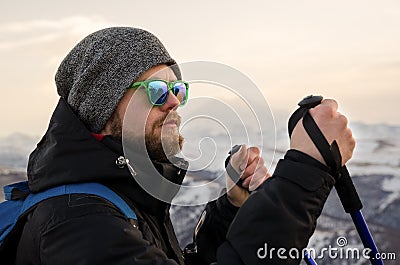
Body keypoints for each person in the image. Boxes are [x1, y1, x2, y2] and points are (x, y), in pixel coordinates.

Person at [13, 27, 355, 265]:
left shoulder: (122, 198)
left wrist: (231, 210)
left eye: (178, 89)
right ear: (103, 108)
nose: (174, 102)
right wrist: (305, 171)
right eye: (157, 91)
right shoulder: (78, 223)